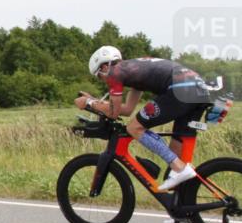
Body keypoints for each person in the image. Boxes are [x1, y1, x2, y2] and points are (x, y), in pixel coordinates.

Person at [75, 46, 211, 191]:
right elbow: (126, 110)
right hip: (198, 89)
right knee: (176, 149)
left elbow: (113, 114)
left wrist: (89, 103)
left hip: (180, 89)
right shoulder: (134, 70)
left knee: (134, 128)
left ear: (103, 67)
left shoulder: (115, 72)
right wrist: (96, 102)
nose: (102, 80)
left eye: (99, 76)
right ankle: (183, 199)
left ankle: (179, 168)